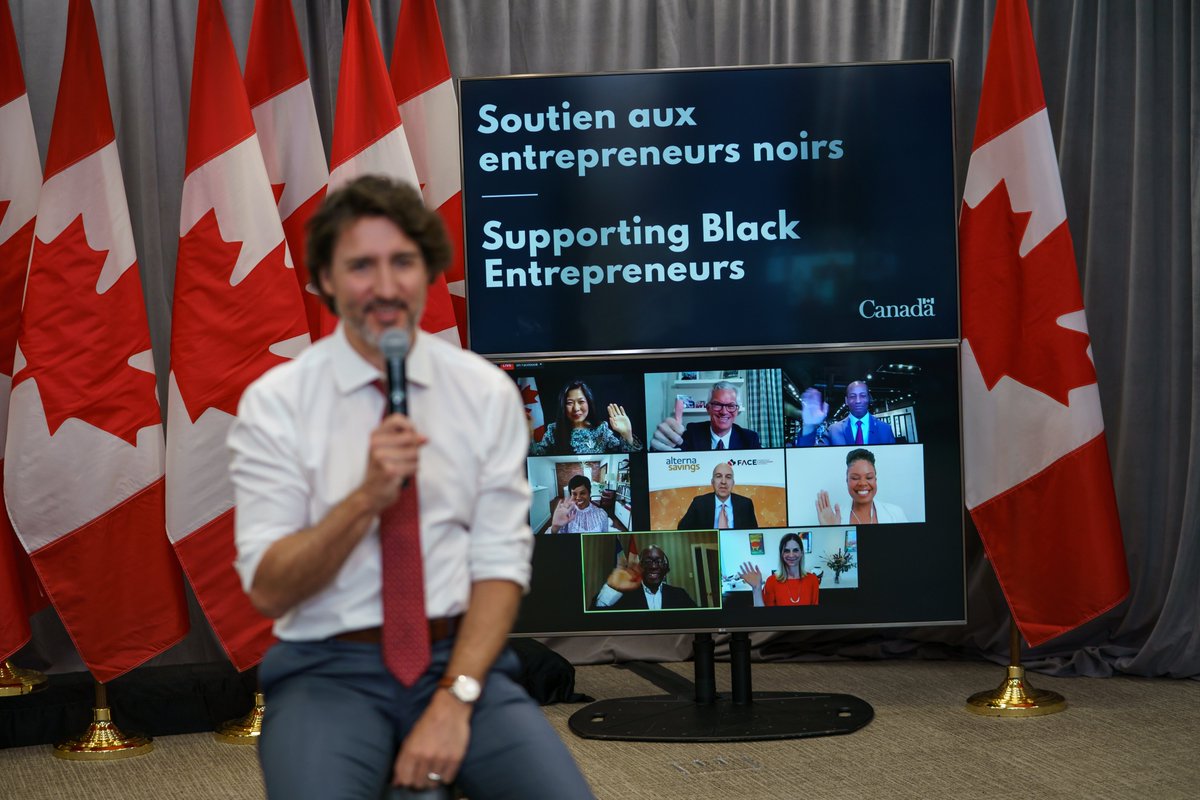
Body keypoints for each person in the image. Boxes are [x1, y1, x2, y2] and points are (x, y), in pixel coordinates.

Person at [228, 175, 592, 800]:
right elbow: (268, 588)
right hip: (327, 670)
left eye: (403, 262)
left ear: (427, 272)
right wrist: (365, 498)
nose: (386, 285)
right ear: (327, 280)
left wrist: (455, 699)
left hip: (457, 661)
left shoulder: (483, 393)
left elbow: (499, 567)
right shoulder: (277, 404)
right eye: (361, 266)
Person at [529, 379, 641, 455]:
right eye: (570, 403)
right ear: (563, 405)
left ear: (589, 403)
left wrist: (627, 435)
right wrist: (529, 437)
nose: (576, 408)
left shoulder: (601, 429)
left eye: (581, 401)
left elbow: (625, 456)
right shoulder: (553, 430)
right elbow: (535, 456)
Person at [650, 381, 761, 451]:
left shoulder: (750, 439)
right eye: (717, 405)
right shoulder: (691, 432)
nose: (724, 412)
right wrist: (658, 447)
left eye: (731, 406)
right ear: (708, 408)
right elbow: (669, 453)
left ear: (736, 410)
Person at [815, 448, 909, 525]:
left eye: (869, 477)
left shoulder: (896, 514)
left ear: (875, 480)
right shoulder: (833, 518)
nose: (862, 483)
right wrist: (831, 530)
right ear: (847, 481)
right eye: (855, 478)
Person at [591, 545, 697, 610]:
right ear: (640, 567)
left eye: (658, 561)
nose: (653, 566)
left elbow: (698, 618)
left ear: (665, 567)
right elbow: (596, 617)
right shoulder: (624, 596)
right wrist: (612, 588)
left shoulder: (679, 595)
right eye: (648, 561)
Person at [738, 533, 821, 606]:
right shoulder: (771, 581)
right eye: (786, 551)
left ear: (802, 553)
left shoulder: (812, 580)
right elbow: (763, 615)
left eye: (795, 550)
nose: (791, 555)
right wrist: (756, 588)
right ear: (781, 554)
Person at [677, 462, 759, 531]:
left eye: (728, 477)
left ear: (733, 483)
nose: (723, 482)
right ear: (712, 482)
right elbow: (682, 530)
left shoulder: (745, 504)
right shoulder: (699, 503)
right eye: (719, 476)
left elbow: (754, 534)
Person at [823, 380, 896, 446]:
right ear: (846, 400)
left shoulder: (885, 429)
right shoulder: (832, 431)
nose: (858, 401)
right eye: (852, 396)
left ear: (869, 398)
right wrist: (815, 425)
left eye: (863, 396)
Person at [547, 475, 613, 533]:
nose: (578, 497)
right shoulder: (567, 514)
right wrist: (555, 527)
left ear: (589, 493)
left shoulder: (601, 514)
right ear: (570, 495)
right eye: (574, 494)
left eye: (582, 493)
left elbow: (604, 538)